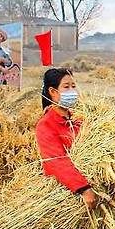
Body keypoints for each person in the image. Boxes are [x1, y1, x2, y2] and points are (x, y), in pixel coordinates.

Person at [35, 68, 97, 209]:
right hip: (66, 190)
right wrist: (83, 188)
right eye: (66, 87)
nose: (72, 91)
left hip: (88, 180)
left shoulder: (77, 119)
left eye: (73, 86)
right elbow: (57, 161)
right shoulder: (45, 125)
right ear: (53, 92)